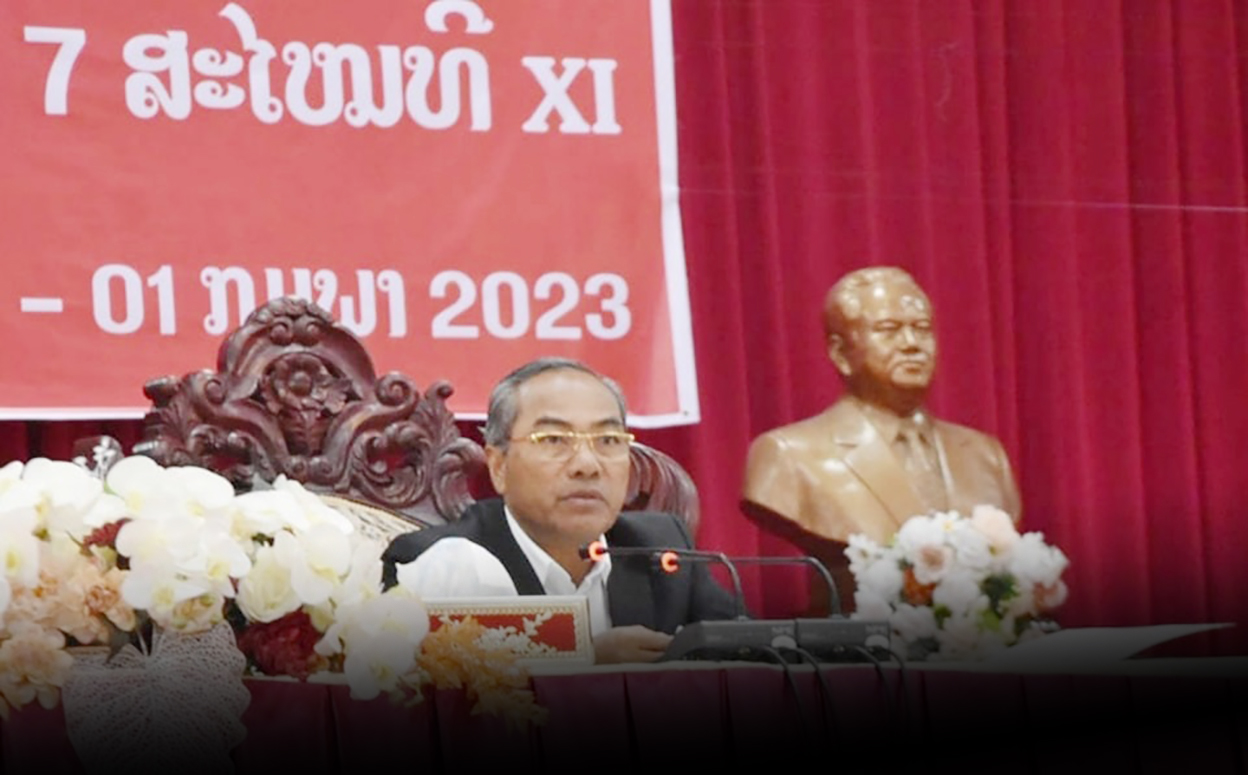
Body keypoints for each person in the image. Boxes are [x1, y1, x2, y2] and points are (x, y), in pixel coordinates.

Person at [383, 357, 739, 664]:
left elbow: (750, 650)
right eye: (553, 440)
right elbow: (420, 674)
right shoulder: (437, 564)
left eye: (608, 440)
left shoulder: (660, 548)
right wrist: (583, 657)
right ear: (499, 466)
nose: (587, 465)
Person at [741, 266, 1021, 612]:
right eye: (889, 330)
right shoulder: (787, 454)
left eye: (922, 329)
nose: (912, 344)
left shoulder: (985, 455)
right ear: (840, 353)